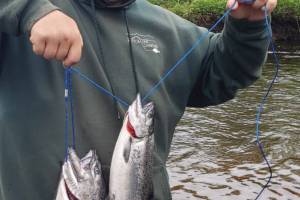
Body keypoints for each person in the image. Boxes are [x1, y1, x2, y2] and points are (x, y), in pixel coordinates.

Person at [0, 0, 277, 199]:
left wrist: (248, 24)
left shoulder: (173, 31)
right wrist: (29, 9)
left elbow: (227, 73)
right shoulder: (26, 18)